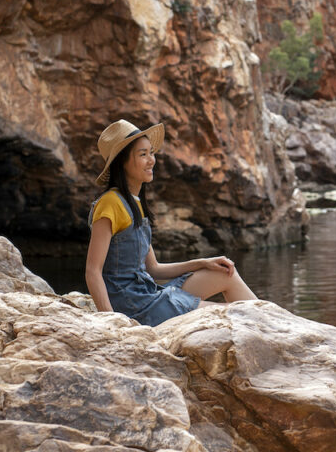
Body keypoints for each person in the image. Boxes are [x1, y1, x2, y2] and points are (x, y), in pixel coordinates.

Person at [85, 119, 258, 326]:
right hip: (135, 306)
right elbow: (93, 271)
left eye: (151, 153)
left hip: (149, 294)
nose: (152, 160)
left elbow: (155, 269)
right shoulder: (110, 203)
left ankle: (275, 326)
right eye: (143, 154)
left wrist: (203, 262)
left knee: (224, 273)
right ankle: (273, 330)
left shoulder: (134, 204)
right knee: (235, 315)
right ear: (121, 162)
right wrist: (112, 323)